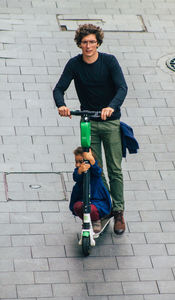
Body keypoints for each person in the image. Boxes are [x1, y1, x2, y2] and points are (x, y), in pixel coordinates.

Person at [53, 24, 128, 234]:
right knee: (96, 168)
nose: (88, 46)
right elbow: (59, 88)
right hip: (88, 122)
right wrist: (61, 105)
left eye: (92, 42)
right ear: (79, 44)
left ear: (98, 43)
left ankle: (119, 211)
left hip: (110, 121)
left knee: (115, 169)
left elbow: (122, 87)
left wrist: (111, 107)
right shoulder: (74, 65)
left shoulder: (109, 62)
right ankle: (105, 208)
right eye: (85, 42)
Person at [69, 147, 112, 233]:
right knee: (77, 207)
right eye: (76, 162)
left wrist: (91, 160)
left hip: (97, 200)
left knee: (91, 209)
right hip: (82, 199)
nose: (77, 165)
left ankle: (96, 220)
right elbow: (76, 177)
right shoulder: (78, 170)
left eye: (80, 162)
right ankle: (86, 220)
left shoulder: (94, 170)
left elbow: (97, 171)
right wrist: (80, 171)